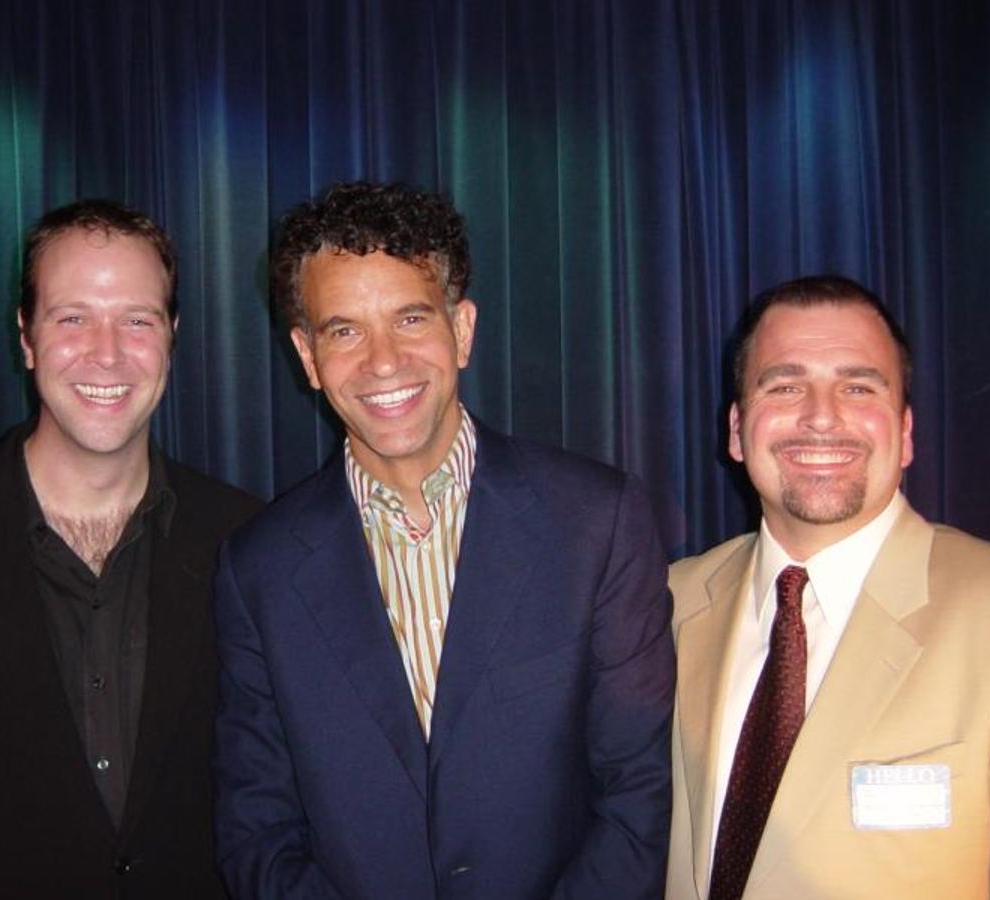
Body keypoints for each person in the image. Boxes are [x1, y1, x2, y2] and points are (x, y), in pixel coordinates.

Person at [211, 181, 675, 899]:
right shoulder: (258, 569)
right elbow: (257, 826)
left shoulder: (597, 522)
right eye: (344, 330)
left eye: (410, 318)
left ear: (461, 330)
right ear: (307, 357)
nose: (383, 361)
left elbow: (637, 794)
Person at [0, 199, 262, 898]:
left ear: (173, 337)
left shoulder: (247, 541)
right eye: (72, 318)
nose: (107, 352)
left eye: (137, 320)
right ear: (25, 336)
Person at [666, 275, 990, 900]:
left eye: (858, 386)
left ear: (906, 431)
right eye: (785, 385)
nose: (821, 416)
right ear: (735, 429)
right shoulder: (664, 604)